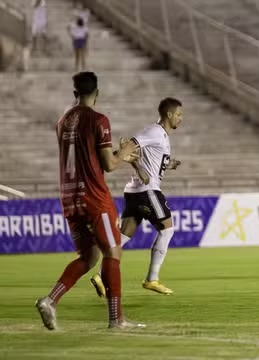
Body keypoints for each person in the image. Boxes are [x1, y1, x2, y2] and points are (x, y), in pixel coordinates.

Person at [35, 71, 144, 330]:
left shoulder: (63, 120)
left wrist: (118, 155)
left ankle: (50, 300)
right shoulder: (99, 120)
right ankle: (116, 319)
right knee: (113, 252)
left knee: (89, 255)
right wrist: (125, 153)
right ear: (98, 92)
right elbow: (107, 164)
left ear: (75, 93)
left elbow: (89, 158)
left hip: (70, 197)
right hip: (94, 197)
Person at [90, 98, 183, 296]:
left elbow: (152, 160)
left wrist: (169, 164)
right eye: (179, 114)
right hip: (147, 190)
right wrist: (117, 159)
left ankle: (100, 276)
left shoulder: (163, 136)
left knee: (122, 237)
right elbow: (132, 144)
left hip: (134, 191)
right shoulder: (154, 132)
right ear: (169, 115)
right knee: (167, 229)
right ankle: (152, 279)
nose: (180, 118)